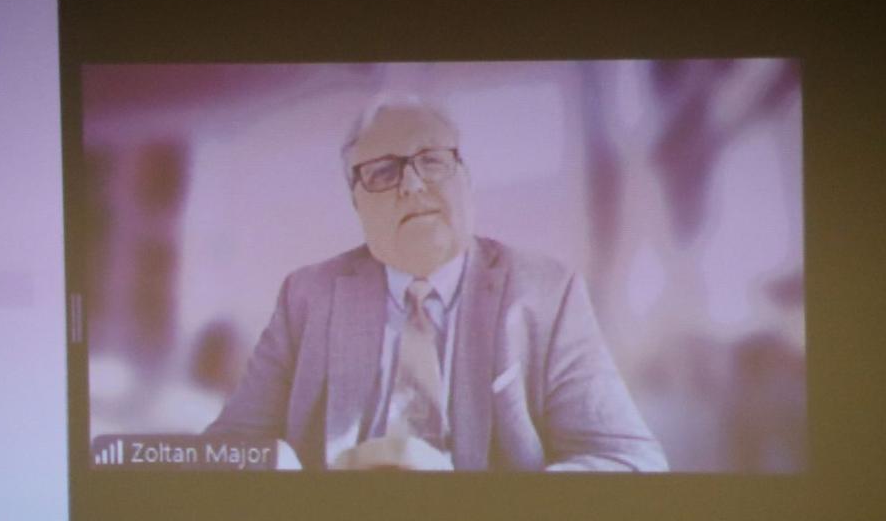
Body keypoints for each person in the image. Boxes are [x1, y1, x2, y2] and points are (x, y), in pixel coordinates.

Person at [205, 96, 668, 471]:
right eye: (383, 172)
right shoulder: (307, 295)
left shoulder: (547, 292)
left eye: (431, 160)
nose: (411, 185)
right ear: (356, 204)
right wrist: (276, 468)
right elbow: (229, 447)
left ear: (466, 179)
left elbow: (628, 458)